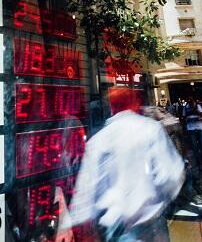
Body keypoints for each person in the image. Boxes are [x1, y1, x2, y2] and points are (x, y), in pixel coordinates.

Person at [58, 88, 184, 242]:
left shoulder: (98, 141)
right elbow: (171, 175)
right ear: (134, 103)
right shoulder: (150, 129)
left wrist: (75, 225)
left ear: (111, 107)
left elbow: (85, 193)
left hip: (115, 229)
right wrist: (164, 200)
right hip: (150, 224)